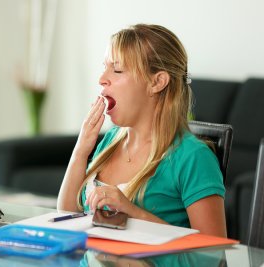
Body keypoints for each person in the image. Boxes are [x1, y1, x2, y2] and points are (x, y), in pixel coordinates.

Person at [57, 24, 227, 237]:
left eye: (117, 69)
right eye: (105, 67)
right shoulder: (110, 141)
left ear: (157, 82)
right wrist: (81, 150)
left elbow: (213, 253)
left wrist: (132, 212)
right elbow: (66, 215)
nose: (102, 78)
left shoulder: (193, 157)